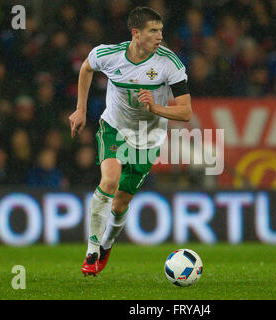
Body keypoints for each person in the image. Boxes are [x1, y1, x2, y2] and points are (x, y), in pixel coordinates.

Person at [68, 7, 192, 276]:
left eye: (161, 30)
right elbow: (86, 68)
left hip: (148, 138)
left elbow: (185, 111)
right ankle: (92, 250)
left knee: (120, 203)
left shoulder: (170, 63)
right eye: (153, 31)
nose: (160, 36)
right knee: (109, 181)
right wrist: (80, 109)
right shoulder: (108, 55)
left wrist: (156, 109)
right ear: (136, 33)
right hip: (114, 127)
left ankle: (107, 244)